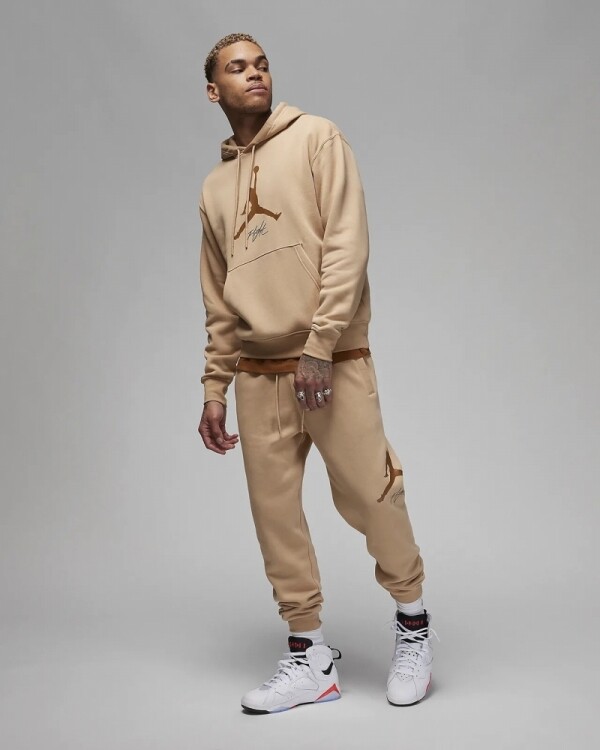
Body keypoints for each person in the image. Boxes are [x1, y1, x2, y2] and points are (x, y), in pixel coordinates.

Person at [197, 33, 438, 714]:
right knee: (275, 518)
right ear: (214, 91)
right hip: (256, 373)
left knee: (373, 495)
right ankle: (310, 657)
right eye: (238, 68)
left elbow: (347, 244)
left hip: (330, 362)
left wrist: (320, 342)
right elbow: (217, 298)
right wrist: (214, 386)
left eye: (262, 64)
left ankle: (414, 624)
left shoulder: (317, 138)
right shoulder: (213, 188)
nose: (255, 74)